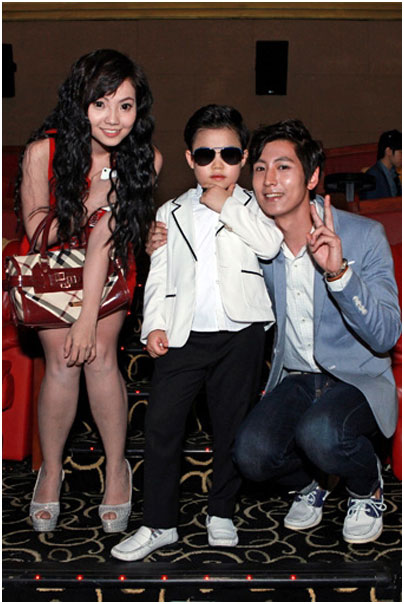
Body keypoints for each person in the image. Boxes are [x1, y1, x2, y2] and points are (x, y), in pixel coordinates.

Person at [111, 104, 283, 561]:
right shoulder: (170, 211)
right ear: (190, 159)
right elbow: (160, 275)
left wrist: (227, 205)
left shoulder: (254, 205)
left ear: (243, 158)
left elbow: (270, 246)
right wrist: (154, 324)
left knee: (231, 427)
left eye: (229, 154)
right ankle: (159, 523)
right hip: (183, 335)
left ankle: (221, 512)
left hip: (242, 332)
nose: (217, 165)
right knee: (161, 427)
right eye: (206, 155)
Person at [233, 119, 401, 544]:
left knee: (321, 434)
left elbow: (386, 335)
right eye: (260, 168)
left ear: (311, 178)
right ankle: (312, 483)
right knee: (251, 455)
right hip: (295, 378)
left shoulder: (363, 235)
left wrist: (340, 274)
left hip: (357, 379)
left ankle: (366, 486)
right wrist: (164, 243)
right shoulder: (254, 245)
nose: (269, 180)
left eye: (283, 167)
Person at [15, 49, 161, 533]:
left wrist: (87, 317)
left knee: (99, 356)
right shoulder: (44, 152)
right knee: (62, 362)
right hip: (52, 268)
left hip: (109, 266)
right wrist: (90, 198)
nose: (113, 118)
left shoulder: (143, 160)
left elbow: (107, 239)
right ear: (80, 104)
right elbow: (38, 233)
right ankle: (51, 471)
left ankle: (117, 469)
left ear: (139, 109)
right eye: (101, 103)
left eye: (125, 105)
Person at [360, 129, 402, 200]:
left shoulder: (393, 174)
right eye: (401, 152)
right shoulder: (373, 175)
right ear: (388, 151)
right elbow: (371, 203)